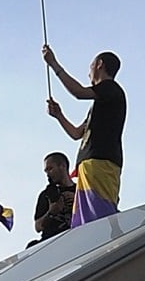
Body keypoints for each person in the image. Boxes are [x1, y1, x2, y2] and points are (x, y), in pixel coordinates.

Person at [43, 44, 126, 226]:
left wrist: (54, 65)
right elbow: (76, 133)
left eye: (90, 66)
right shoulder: (101, 102)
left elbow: (79, 92)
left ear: (100, 64)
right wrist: (59, 115)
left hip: (100, 163)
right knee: (86, 220)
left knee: (101, 215)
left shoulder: (110, 89)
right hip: (89, 167)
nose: (88, 73)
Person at [28, 151, 76, 246]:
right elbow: (38, 227)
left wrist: (78, 200)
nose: (48, 174)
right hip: (52, 242)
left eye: (50, 169)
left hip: (76, 237)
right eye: (46, 171)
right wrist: (51, 212)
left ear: (62, 166)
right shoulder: (46, 194)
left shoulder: (80, 191)